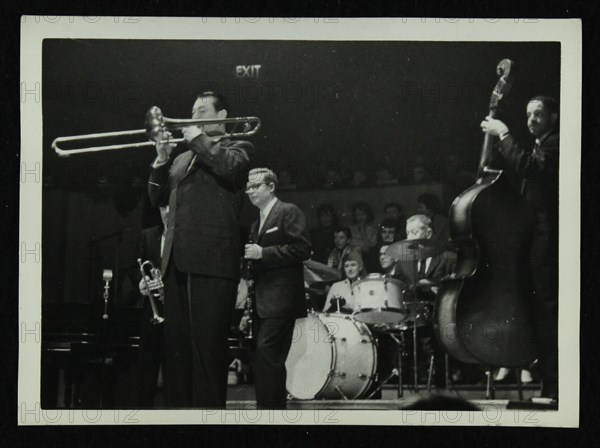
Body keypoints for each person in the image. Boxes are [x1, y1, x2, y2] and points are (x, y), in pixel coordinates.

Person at [147, 91, 252, 408]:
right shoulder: (181, 158)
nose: (192, 116)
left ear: (221, 116)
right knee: (176, 356)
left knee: (207, 355)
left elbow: (230, 170)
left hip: (212, 264)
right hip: (176, 262)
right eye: (191, 111)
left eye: (201, 110)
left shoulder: (239, 146)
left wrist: (197, 140)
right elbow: (156, 200)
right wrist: (161, 159)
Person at [481, 95, 559, 402]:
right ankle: (549, 387)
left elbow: (530, 168)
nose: (532, 120)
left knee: (548, 314)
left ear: (553, 117)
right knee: (542, 314)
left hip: (547, 242)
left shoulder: (554, 144)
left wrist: (502, 133)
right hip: (538, 241)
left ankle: (554, 388)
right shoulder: (542, 144)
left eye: (538, 114)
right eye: (528, 114)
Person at [244, 168, 311, 409]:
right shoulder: (256, 222)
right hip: (263, 302)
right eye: (248, 187)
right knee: (265, 358)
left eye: (256, 186)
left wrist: (264, 253)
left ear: (271, 187)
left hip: (281, 300)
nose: (250, 191)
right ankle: (269, 413)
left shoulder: (287, 211)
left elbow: (303, 249)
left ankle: (271, 414)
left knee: (267, 354)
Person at [395, 214, 455, 387]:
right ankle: (408, 388)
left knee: (437, 352)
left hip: (440, 315)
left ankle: (440, 386)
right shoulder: (403, 260)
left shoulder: (447, 257)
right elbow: (399, 286)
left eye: (414, 232)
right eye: (408, 233)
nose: (409, 238)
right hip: (412, 316)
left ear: (428, 234)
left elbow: (455, 285)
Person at [135, 205, 168, 408]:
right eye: (162, 207)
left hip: (177, 311)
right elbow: (134, 268)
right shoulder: (147, 235)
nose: (166, 211)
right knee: (146, 371)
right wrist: (142, 283)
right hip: (152, 311)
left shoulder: (184, 235)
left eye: (170, 206)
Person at [322, 249, 364, 313]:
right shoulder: (336, 286)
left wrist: (348, 307)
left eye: (353, 265)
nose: (350, 269)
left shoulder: (366, 286)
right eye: (346, 266)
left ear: (360, 267)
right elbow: (325, 312)